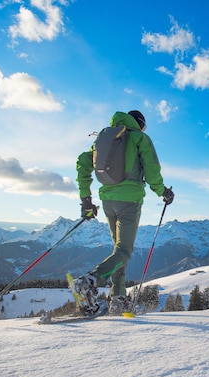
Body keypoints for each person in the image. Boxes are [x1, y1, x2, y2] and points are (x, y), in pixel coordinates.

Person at [74, 110, 174, 315]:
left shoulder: (104, 140)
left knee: (118, 252)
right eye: (144, 127)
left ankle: (118, 299)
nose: (144, 130)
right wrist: (163, 191)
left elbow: (83, 163)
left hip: (107, 201)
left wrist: (86, 200)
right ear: (140, 124)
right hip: (130, 201)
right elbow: (152, 169)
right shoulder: (139, 138)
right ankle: (89, 281)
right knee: (124, 252)